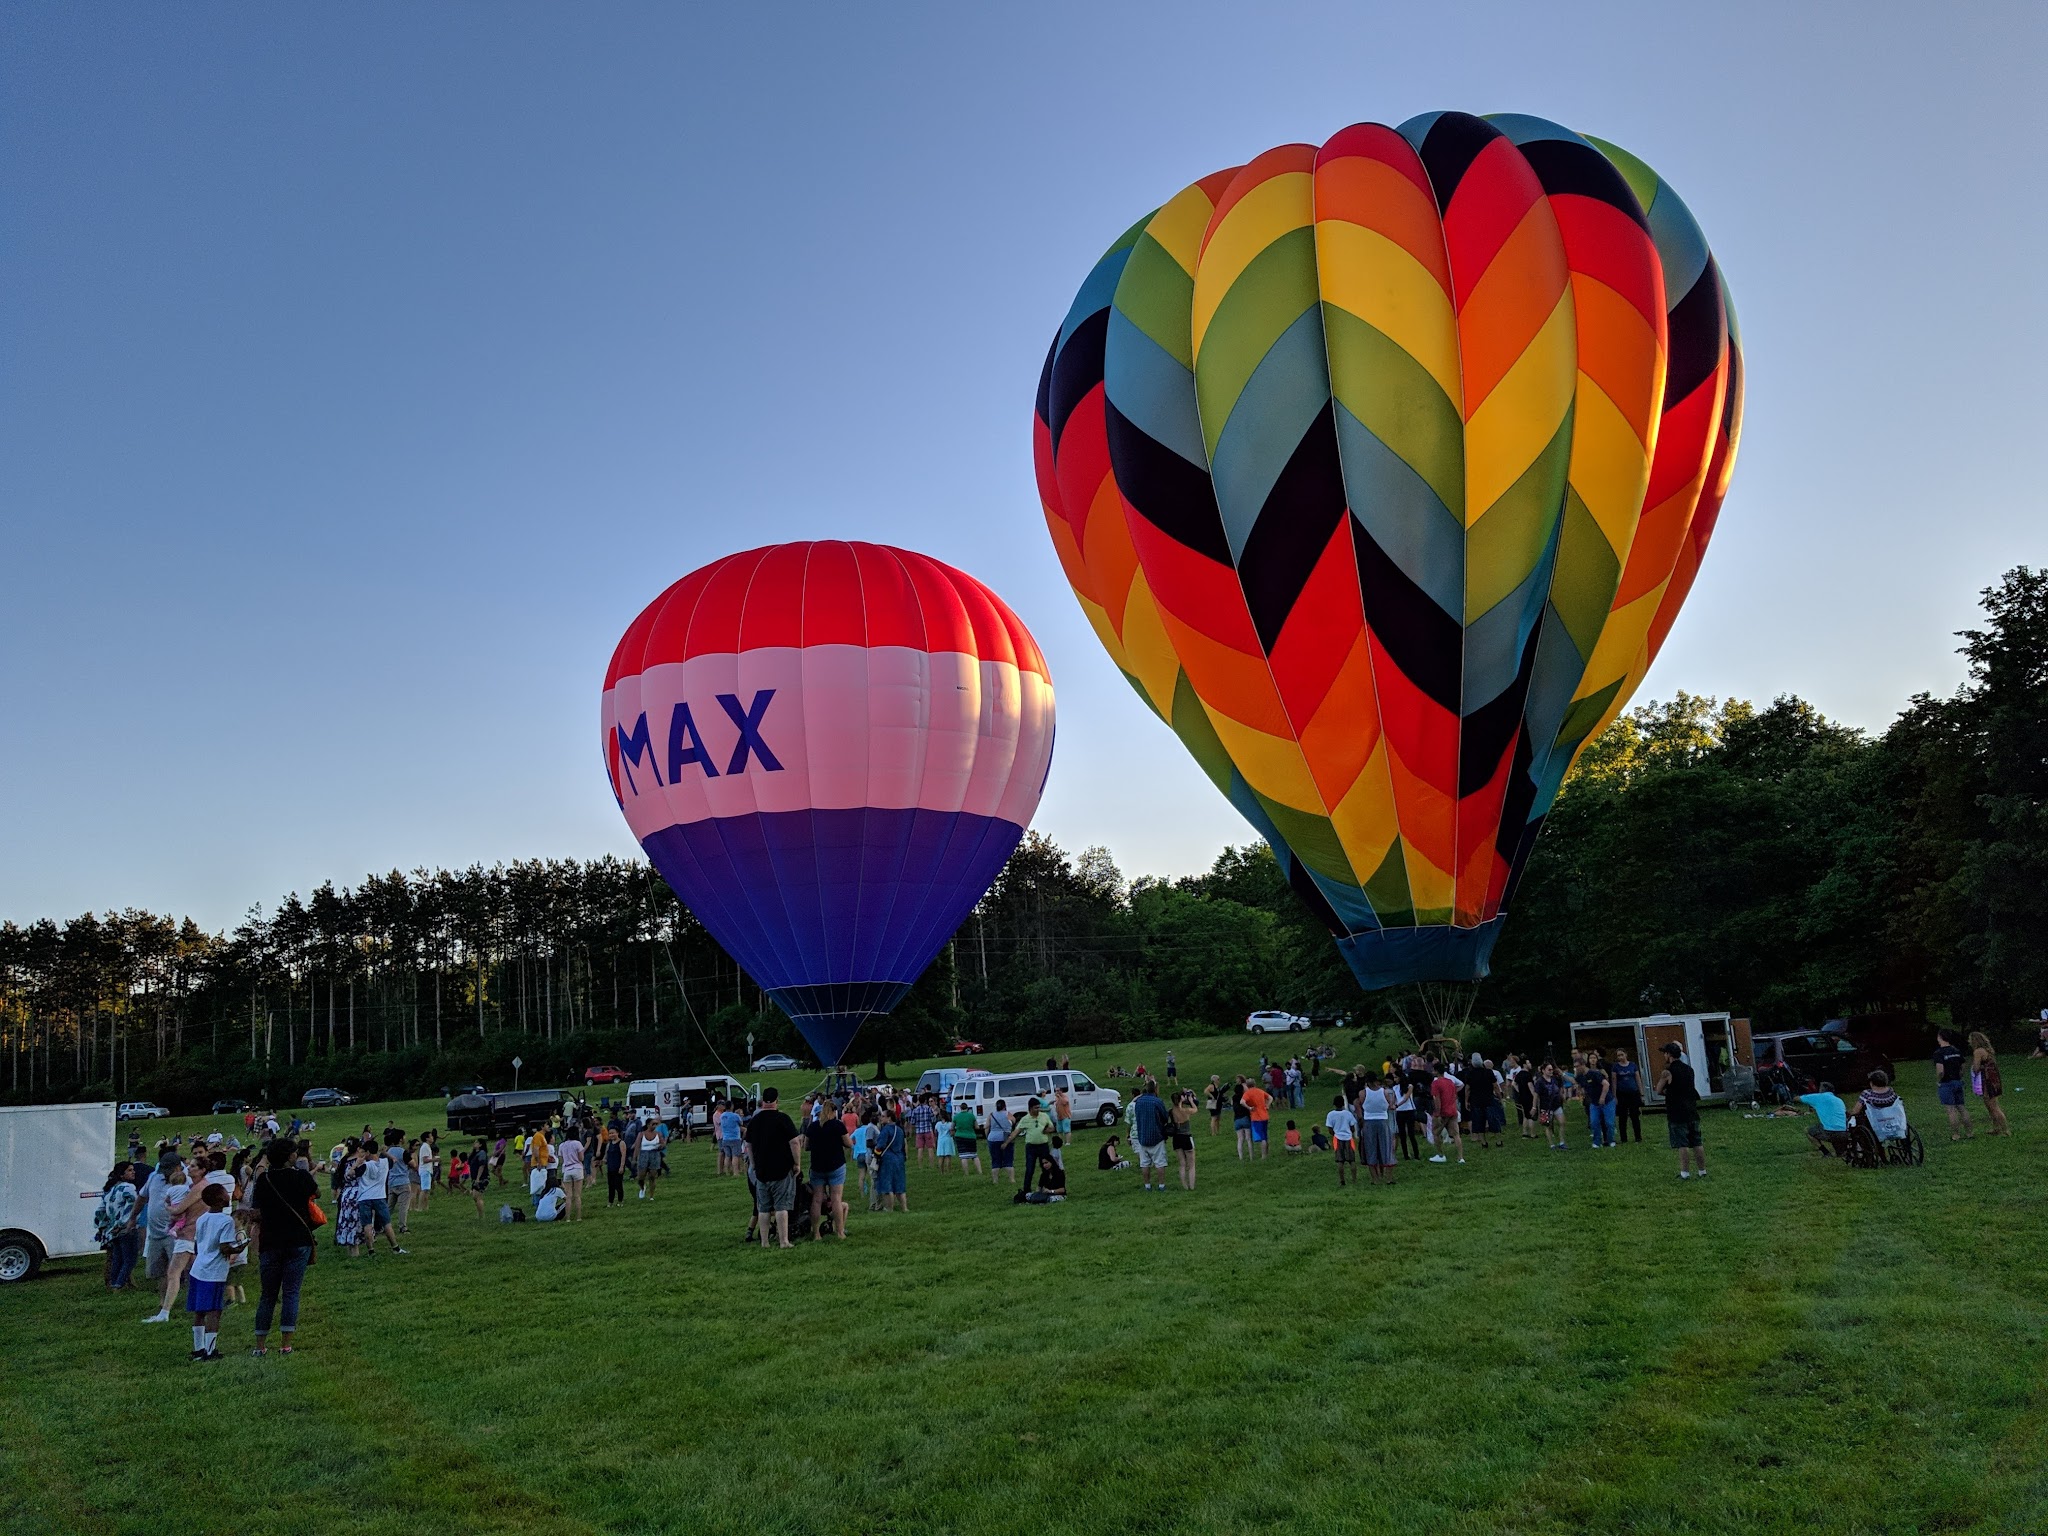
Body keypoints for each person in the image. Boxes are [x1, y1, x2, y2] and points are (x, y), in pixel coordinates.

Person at [248, 1136, 319, 1355]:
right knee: (291, 1292)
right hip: (298, 1239)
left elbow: (256, 1209)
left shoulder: (264, 1180)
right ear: (290, 1156)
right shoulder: (301, 1176)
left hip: (270, 1240)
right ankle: (286, 1344)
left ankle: (260, 1346)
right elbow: (316, 1193)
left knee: (267, 1295)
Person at [183, 1185, 245, 1362]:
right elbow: (224, 1247)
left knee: (199, 1311)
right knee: (214, 1312)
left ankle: (198, 1348)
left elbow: (200, 1242)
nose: (229, 1195)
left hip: (199, 1268)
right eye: (226, 1193)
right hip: (214, 1272)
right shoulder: (226, 1221)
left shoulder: (203, 1218)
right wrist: (239, 1247)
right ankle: (210, 1350)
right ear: (220, 1199)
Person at [1656, 1041, 1706, 1179]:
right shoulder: (1689, 1069)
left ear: (1669, 1055)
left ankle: (1685, 1173)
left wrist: (1669, 1092)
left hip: (1677, 1111)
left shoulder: (1668, 1071)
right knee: (1697, 1141)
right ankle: (1702, 1171)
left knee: (1682, 1144)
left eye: (1665, 1053)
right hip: (1691, 1109)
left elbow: (1658, 1090)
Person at [805, 1104, 850, 1241]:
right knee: (836, 1198)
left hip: (817, 1166)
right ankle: (840, 1232)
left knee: (817, 1200)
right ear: (833, 1111)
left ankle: (816, 1233)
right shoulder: (838, 1125)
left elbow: (806, 1146)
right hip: (836, 1166)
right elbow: (848, 1143)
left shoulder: (813, 1127)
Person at [353, 1140, 404, 1255]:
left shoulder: (365, 1165)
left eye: (364, 1152)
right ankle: (395, 1247)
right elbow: (394, 1160)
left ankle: (371, 1250)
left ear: (368, 1152)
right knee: (386, 1223)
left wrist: (356, 1163)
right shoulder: (385, 1162)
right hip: (380, 1196)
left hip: (364, 1197)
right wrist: (385, 1152)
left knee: (367, 1225)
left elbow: (351, 1174)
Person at [97, 1163, 142, 1291]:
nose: (133, 1172)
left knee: (117, 1258)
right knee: (129, 1260)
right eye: (129, 1170)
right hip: (126, 1228)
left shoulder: (111, 1189)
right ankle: (119, 1284)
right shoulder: (128, 1188)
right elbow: (132, 1207)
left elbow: (100, 1211)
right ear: (122, 1174)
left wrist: (103, 1225)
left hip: (112, 1230)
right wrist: (123, 1223)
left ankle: (112, 1283)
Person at [1933, 1029, 1973, 1141]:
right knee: (1961, 1108)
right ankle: (1969, 1132)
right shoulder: (1956, 1050)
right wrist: (1959, 1075)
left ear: (1940, 1038)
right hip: (1957, 1081)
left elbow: (1940, 1071)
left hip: (1946, 1083)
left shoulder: (1939, 1053)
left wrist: (1939, 1080)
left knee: (1951, 1110)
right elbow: (1963, 1064)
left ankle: (1956, 1134)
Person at [1130, 1080, 1170, 1192]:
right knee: (1160, 1162)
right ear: (1156, 1089)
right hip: (1156, 1136)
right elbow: (1165, 1117)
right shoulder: (1157, 1102)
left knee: (1144, 1163)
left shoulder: (1139, 1102)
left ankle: (1147, 1186)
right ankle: (1161, 1185)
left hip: (1142, 1136)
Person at [1358, 1075, 1397, 1186]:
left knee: (1371, 1149)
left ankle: (1375, 1179)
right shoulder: (1384, 1092)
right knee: (1387, 1148)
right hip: (1383, 1120)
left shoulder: (1363, 1093)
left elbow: (1360, 1104)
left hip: (1369, 1121)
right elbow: (1390, 1105)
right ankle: (1389, 1178)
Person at [1968, 1031, 2009, 1136]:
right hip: (1993, 1079)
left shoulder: (1978, 1051)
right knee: (1990, 1105)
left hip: (1987, 1080)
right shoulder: (1987, 1050)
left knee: (1993, 1106)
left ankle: (2005, 1130)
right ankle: (1996, 1128)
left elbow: (1976, 1067)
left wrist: (1973, 1069)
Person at [1014, 1097, 1057, 1191]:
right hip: (1031, 1147)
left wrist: (1048, 1130)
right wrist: (1007, 1142)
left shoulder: (1044, 1116)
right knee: (1030, 1169)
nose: (1038, 1110)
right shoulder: (1025, 1119)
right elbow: (1017, 1131)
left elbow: (1052, 1127)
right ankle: (1026, 1190)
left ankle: (1046, 1187)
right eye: (1036, 1108)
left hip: (1043, 1146)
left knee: (1045, 1168)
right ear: (1030, 1108)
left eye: (1039, 1107)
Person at [871, 1107, 909, 1214]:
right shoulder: (900, 1130)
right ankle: (904, 1208)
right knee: (900, 1184)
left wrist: (876, 1155)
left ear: (889, 1118)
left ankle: (889, 1208)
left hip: (887, 1159)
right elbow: (903, 1145)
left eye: (883, 1116)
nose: (880, 1118)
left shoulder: (886, 1130)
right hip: (899, 1158)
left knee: (887, 1184)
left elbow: (880, 1146)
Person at [1800, 1082, 1850, 1156]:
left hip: (1830, 1132)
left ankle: (1826, 1153)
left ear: (1821, 1090)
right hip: (1844, 1132)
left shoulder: (1818, 1097)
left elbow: (1798, 1098)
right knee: (1840, 1153)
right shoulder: (1839, 1100)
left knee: (1808, 1131)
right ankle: (1843, 1151)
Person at [1427, 1068, 1464, 1165]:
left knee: (1436, 1133)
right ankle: (1460, 1158)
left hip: (1443, 1112)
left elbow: (1437, 1099)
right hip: (1452, 1110)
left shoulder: (1435, 1083)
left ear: (1436, 1072)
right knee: (1456, 1134)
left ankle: (1440, 1155)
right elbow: (1454, 1095)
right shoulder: (1450, 1082)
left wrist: (1438, 1113)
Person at [1859, 1070, 1908, 1142]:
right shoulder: (1891, 1092)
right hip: (1894, 1120)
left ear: (1871, 1083)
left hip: (1875, 1123)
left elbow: (1856, 1110)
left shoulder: (1867, 1094)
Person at [1577, 1057, 1613, 1150]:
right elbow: (1574, 1081)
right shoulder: (1581, 1077)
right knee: (1594, 1122)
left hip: (1607, 1100)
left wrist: (1602, 1097)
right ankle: (1596, 1142)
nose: (1576, 1069)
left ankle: (1610, 1140)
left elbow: (1606, 1084)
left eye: (1577, 1066)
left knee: (1609, 1122)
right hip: (1594, 1102)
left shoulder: (1594, 1073)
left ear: (1583, 1065)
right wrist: (1562, 1073)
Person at [1609, 1051, 1644, 1143]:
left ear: (1626, 1055)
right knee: (1622, 1117)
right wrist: (1615, 1095)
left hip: (1633, 1093)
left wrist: (1641, 1092)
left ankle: (1638, 1137)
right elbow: (1614, 1081)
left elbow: (1637, 1078)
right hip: (1622, 1094)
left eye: (1621, 1055)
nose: (1620, 1057)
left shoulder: (1632, 1065)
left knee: (1635, 1116)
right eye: (1618, 1056)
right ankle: (1624, 1138)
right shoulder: (1616, 1067)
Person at [1325, 1093, 1358, 1188]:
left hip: (1337, 1138)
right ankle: (1354, 1179)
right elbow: (1352, 1127)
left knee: (1340, 1160)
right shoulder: (1348, 1114)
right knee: (1352, 1160)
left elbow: (1330, 1129)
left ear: (1334, 1104)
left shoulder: (1331, 1114)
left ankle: (1342, 1180)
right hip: (1348, 1137)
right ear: (1343, 1103)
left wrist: (1335, 1134)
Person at [1170, 1090, 1199, 1191]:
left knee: (1182, 1163)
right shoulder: (1184, 1110)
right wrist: (1191, 1101)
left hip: (1176, 1138)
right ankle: (1192, 1185)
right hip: (1186, 1137)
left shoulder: (1171, 1111)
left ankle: (1185, 1186)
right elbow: (1195, 1109)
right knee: (1191, 1164)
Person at [1536, 1063, 1568, 1150]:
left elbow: (1559, 1089)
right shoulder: (1540, 1082)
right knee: (1548, 1125)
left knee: (1562, 1123)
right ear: (1543, 1070)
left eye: (1552, 1069)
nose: (1551, 1071)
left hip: (1556, 1105)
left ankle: (1562, 1142)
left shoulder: (1555, 1079)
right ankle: (1552, 1144)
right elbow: (1536, 1095)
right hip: (1545, 1107)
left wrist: (1562, 1097)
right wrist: (1534, 1107)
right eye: (1549, 1069)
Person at [556, 1127, 586, 1220]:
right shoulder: (577, 1144)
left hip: (567, 1169)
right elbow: (581, 1158)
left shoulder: (562, 1145)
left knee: (568, 1196)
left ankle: (568, 1217)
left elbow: (561, 1159)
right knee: (577, 1195)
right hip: (577, 1168)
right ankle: (578, 1217)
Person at [1240, 1077, 1272, 1160]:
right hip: (1265, 1115)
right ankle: (1266, 1153)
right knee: (1265, 1135)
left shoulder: (1248, 1093)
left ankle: (1263, 1156)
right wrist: (1267, 1105)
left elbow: (1242, 1102)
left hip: (1256, 1117)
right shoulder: (1260, 1091)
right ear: (1255, 1084)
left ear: (1247, 1085)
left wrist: (1249, 1107)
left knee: (1262, 1137)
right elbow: (1270, 1098)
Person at [986, 1100, 1016, 1186]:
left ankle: (995, 1180)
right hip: (1006, 1138)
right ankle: (1012, 1179)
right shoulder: (1008, 1114)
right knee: (1008, 1160)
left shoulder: (991, 1115)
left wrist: (987, 1137)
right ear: (1004, 1106)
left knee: (995, 1160)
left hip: (993, 1138)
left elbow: (986, 1127)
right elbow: (1014, 1121)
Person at [633, 1119, 665, 1200]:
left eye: (655, 1124)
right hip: (644, 1154)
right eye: (652, 1124)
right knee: (641, 1176)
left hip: (654, 1154)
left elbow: (663, 1143)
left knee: (652, 1176)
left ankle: (651, 1196)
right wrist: (634, 1158)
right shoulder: (641, 1134)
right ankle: (642, 1187)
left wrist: (661, 1146)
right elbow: (637, 1146)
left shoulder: (658, 1134)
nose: (654, 1126)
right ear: (648, 1125)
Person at [950, 1101, 980, 1176]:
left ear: (960, 1108)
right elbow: (977, 1127)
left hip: (960, 1137)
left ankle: (966, 1173)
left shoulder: (956, 1117)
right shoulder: (971, 1116)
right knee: (974, 1155)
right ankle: (980, 1172)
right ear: (967, 1108)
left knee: (963, 1156)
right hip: (971, 1136)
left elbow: (952, 1127)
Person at [717, 1100, 745, 1177]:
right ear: (732, 1106)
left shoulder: (722, 1116)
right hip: (734, 1138)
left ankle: (727, 1172)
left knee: (727, 1156)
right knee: (735, 1155)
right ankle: (736, 1172)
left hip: (725, 1138)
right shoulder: (735, 1116)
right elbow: (741, 1123)